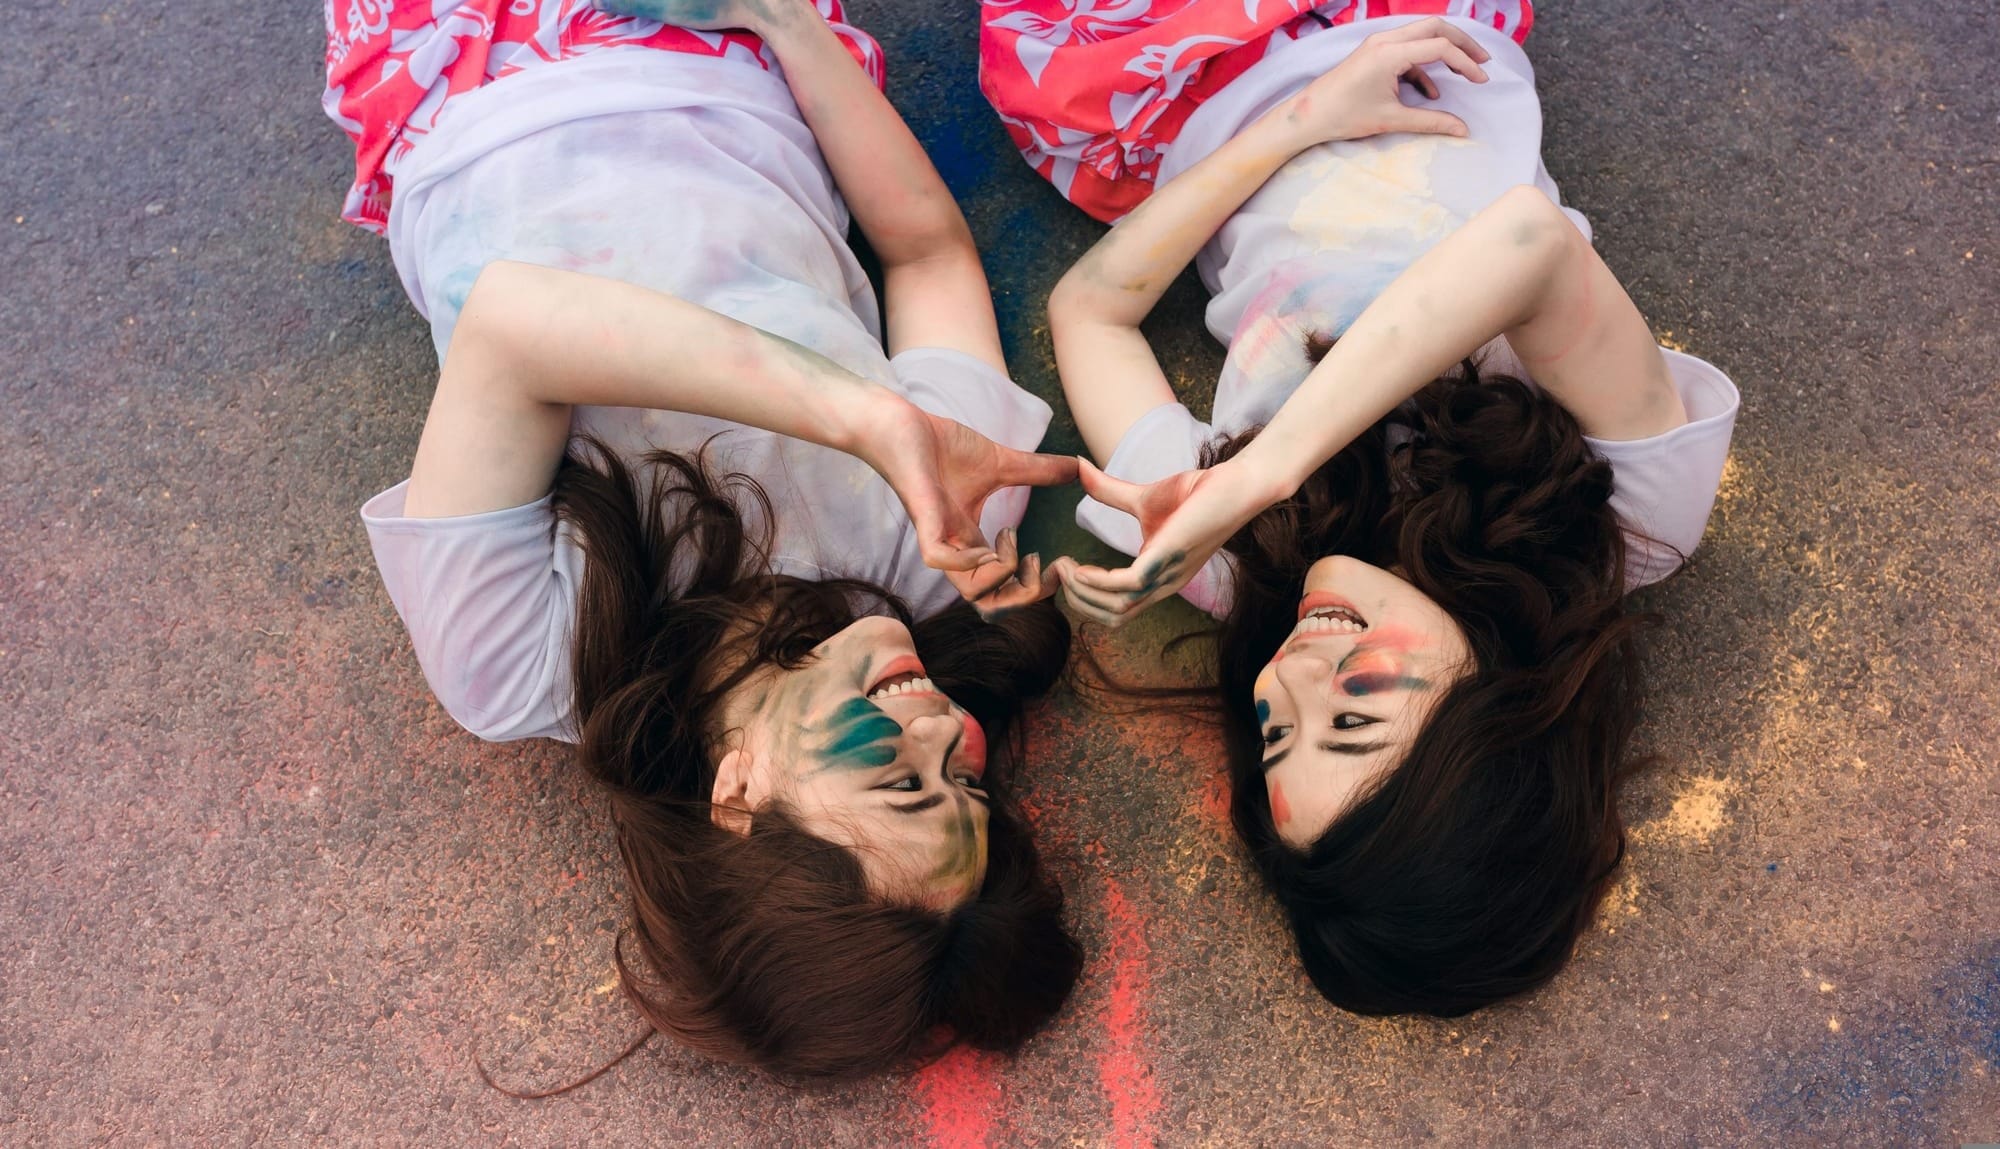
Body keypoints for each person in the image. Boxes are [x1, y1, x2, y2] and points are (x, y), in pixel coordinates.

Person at [324, 0, 1084, 1077]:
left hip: (474, 80)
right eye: (965, 785)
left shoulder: (521, 670)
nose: (940, 730)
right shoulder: (936, 544)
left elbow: (509, 329)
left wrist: (860, 418)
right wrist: (777, 23)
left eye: (901, 784)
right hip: (733, 61)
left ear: (736, 799)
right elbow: (923, 257)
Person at [985, 7, 1740, 1015]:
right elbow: (1528, 245)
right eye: (1350, 715)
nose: (1292, 674)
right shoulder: (1629, 523)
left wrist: (1291, 126)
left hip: (1170, 101)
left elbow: (1087, 313)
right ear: (1497, 730)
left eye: (1270, 728)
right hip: (1399, 36)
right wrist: (1271, 467)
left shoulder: (1231, 565)